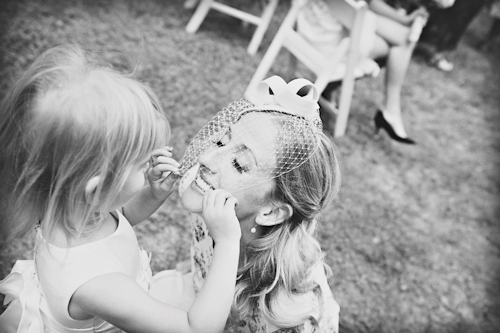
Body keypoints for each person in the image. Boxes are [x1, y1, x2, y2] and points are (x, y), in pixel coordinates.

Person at [0, 44, 241, 333]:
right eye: (141, 165)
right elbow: (194, 328)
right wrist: (227, 241)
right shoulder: (98, 284)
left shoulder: (71, 208)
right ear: (97, 189)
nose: (150, 163)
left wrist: (151, 193)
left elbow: (119, 219)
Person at [176, 76, 342, 332]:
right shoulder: (204, 194)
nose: (207, 158)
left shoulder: (286, 311)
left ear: (272, 212)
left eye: (239, 164)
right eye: (221, 141)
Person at [298, 0, 428, 144]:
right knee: (402, 42)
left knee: (391, 44)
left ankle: (330, 89)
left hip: (307, 22)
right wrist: (404, 19)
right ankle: (390, 109)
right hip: (331, 42)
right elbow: (370, 5)